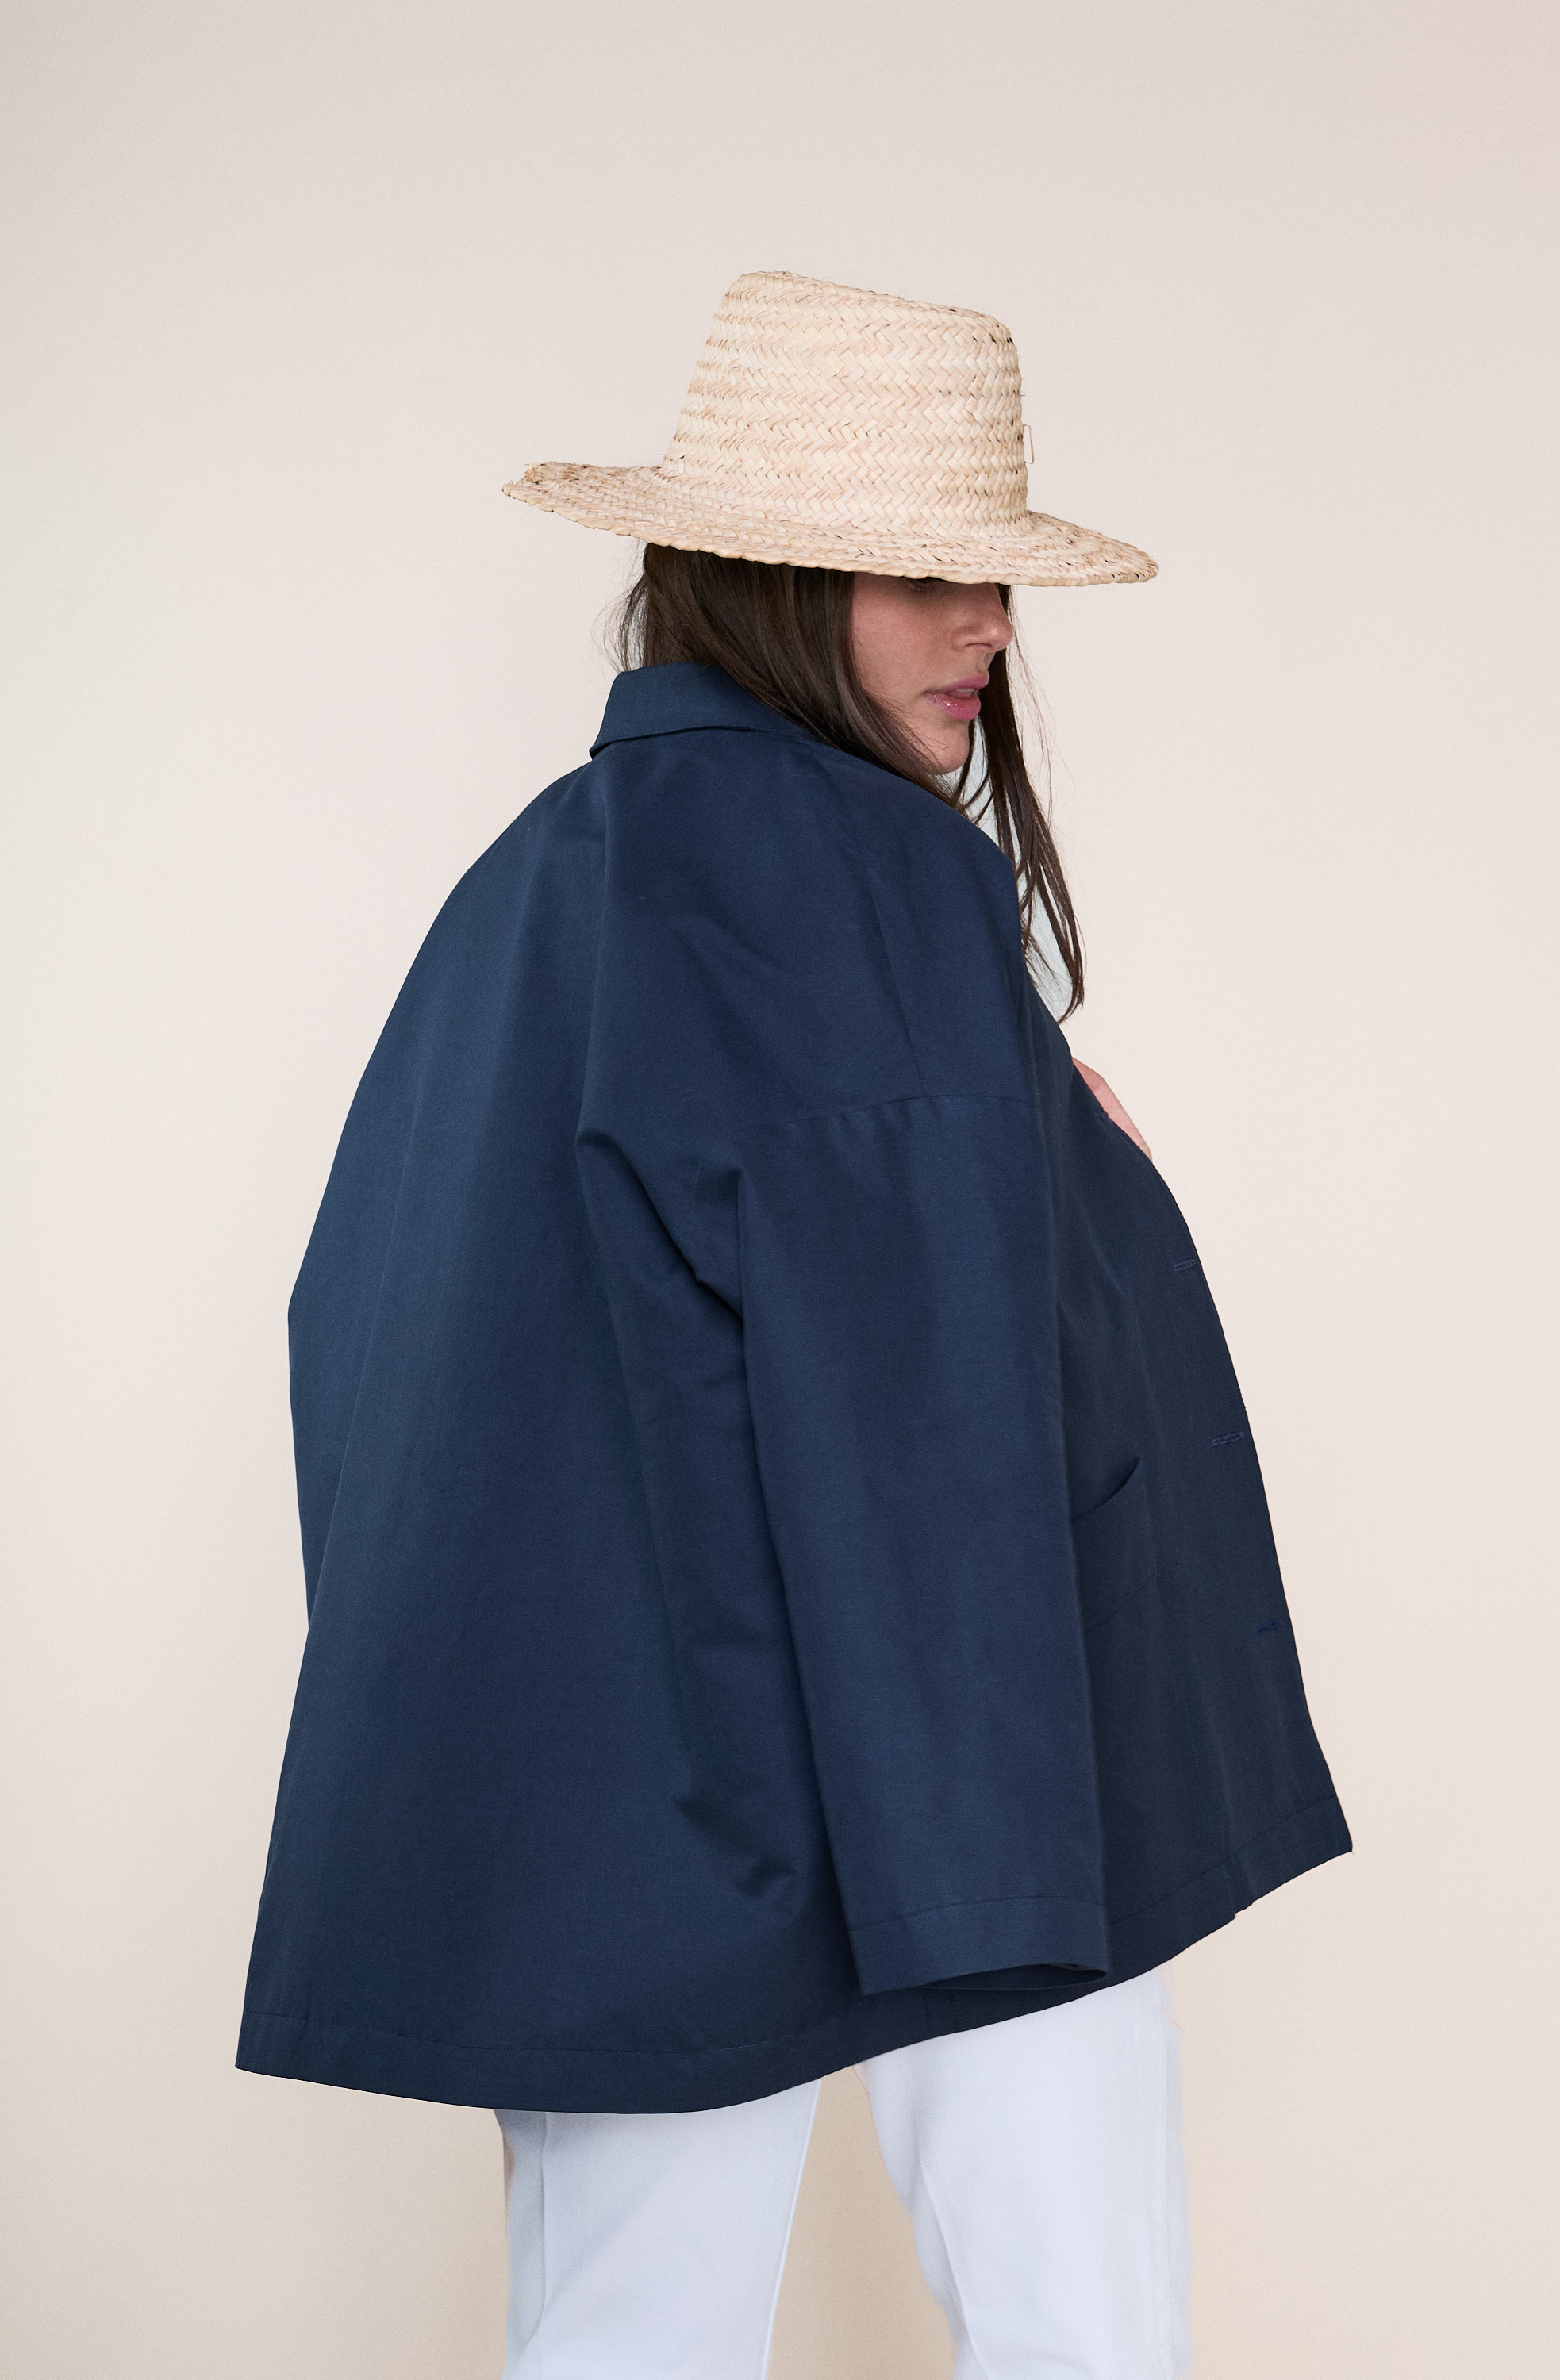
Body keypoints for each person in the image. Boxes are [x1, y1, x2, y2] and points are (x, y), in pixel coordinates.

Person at [238, 271, 1350, 2379]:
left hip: (605, 1784)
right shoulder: (868, 879)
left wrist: (1047, 1167)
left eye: (995, 581)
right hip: (959, 1763)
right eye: (928, 577)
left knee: (619, 2340)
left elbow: (363, 1335)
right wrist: (998, 1865)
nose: (988, 627)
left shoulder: (541, 881)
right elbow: (926, 1413)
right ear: (769, 582)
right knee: (1075, 2313)